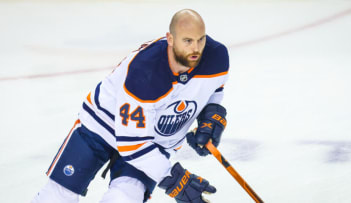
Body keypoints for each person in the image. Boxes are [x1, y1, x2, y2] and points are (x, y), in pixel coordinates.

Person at [32, 8, 229, 203]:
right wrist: (175, 180)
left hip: (154, 141)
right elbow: (132, 144)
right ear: (170, 39)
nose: (196, 48)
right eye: (187, 41)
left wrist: (210, 114)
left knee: (124, 199)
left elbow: (214, 88)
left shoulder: (216, 57)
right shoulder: (145, 71)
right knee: (57, 196)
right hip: (102, 125)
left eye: (200, 39)